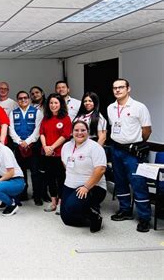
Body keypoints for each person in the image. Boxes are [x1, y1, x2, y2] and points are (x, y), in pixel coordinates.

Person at [107, 78, 152, 232]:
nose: (117, 90)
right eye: (115, 88)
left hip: (133, 152)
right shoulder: (110, 107)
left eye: (121, 87)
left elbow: (147, 130)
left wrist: (137, 143)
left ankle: (144, 217)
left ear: (128, 89)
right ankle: (125, 210)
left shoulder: (139, 107)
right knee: (120, 182)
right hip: (116, 149)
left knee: (138, 183)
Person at [60, 121, 107, 233]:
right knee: (66, 219)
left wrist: (86, 187)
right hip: (70, 185)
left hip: (92, 186)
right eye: (76, 130)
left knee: (72, 206)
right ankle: (90, 219)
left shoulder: (95, 147)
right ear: (71, 132)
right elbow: (65, 164)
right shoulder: (66, 146)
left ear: (88, 132)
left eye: (83, 130)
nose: (79, 133)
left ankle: (94, 215)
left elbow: (100, 169)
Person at [9, 91, 44, 205]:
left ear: (29, 99)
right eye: (20, 98)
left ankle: (37, 196)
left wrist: (28, 141)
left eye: (25, 98)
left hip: (33, 146)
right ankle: (23, 194)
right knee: (21, 172)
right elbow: (11, 129)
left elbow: (38, 129)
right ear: (17, 100)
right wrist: (20, 142)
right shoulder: (13, 113)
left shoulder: (37, 112)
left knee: (35, 172)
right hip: (18, 147)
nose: (23, 100)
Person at [40, 93, 72, 214]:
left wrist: (52, 147)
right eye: (51, 103)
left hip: (60, 154)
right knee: (50, 178)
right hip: (47, 153)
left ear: (61, 104)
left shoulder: (65, 118)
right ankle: (53, 202)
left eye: (56, 103)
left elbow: (65, 135)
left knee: (61, 179)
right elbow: (41, 133)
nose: (53, 105)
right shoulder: (46, 117)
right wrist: (45, 147)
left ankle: (60, 203)